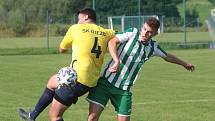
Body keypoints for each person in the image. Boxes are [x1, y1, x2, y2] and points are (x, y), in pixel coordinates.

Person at [18, 8, 119, 121]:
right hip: (90, 80)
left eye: (79, 16)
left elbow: (62, 49)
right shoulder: (106, 32)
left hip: (75, 80)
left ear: (86, 17)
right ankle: (32, 115)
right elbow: (117, 37)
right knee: (52, 81)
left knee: (54, 115)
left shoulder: (76, 28)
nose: (77, 18)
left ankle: (34, 116)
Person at [87, 17, 195, 121]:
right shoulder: (132, 33)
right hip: (105, 83)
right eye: (144, 29)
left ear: (155, 34)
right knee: (92, 118)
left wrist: (184, 63)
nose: (144, 33)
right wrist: (116, 60)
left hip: (124, 89)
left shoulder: (153, 47)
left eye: (149, 32)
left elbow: (167, 56)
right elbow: (112, 42)